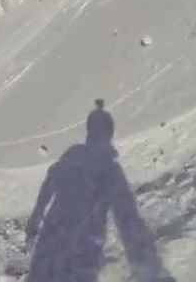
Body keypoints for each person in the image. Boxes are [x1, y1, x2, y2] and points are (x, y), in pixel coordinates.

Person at [26, 100, 174, 282]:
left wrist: (37, 215)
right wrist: (148, 267)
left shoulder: (74, 156)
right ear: (109, 134)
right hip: (81, 245)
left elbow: (51, 181)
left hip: (56, 237)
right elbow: (127, 217)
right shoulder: (108, 169)